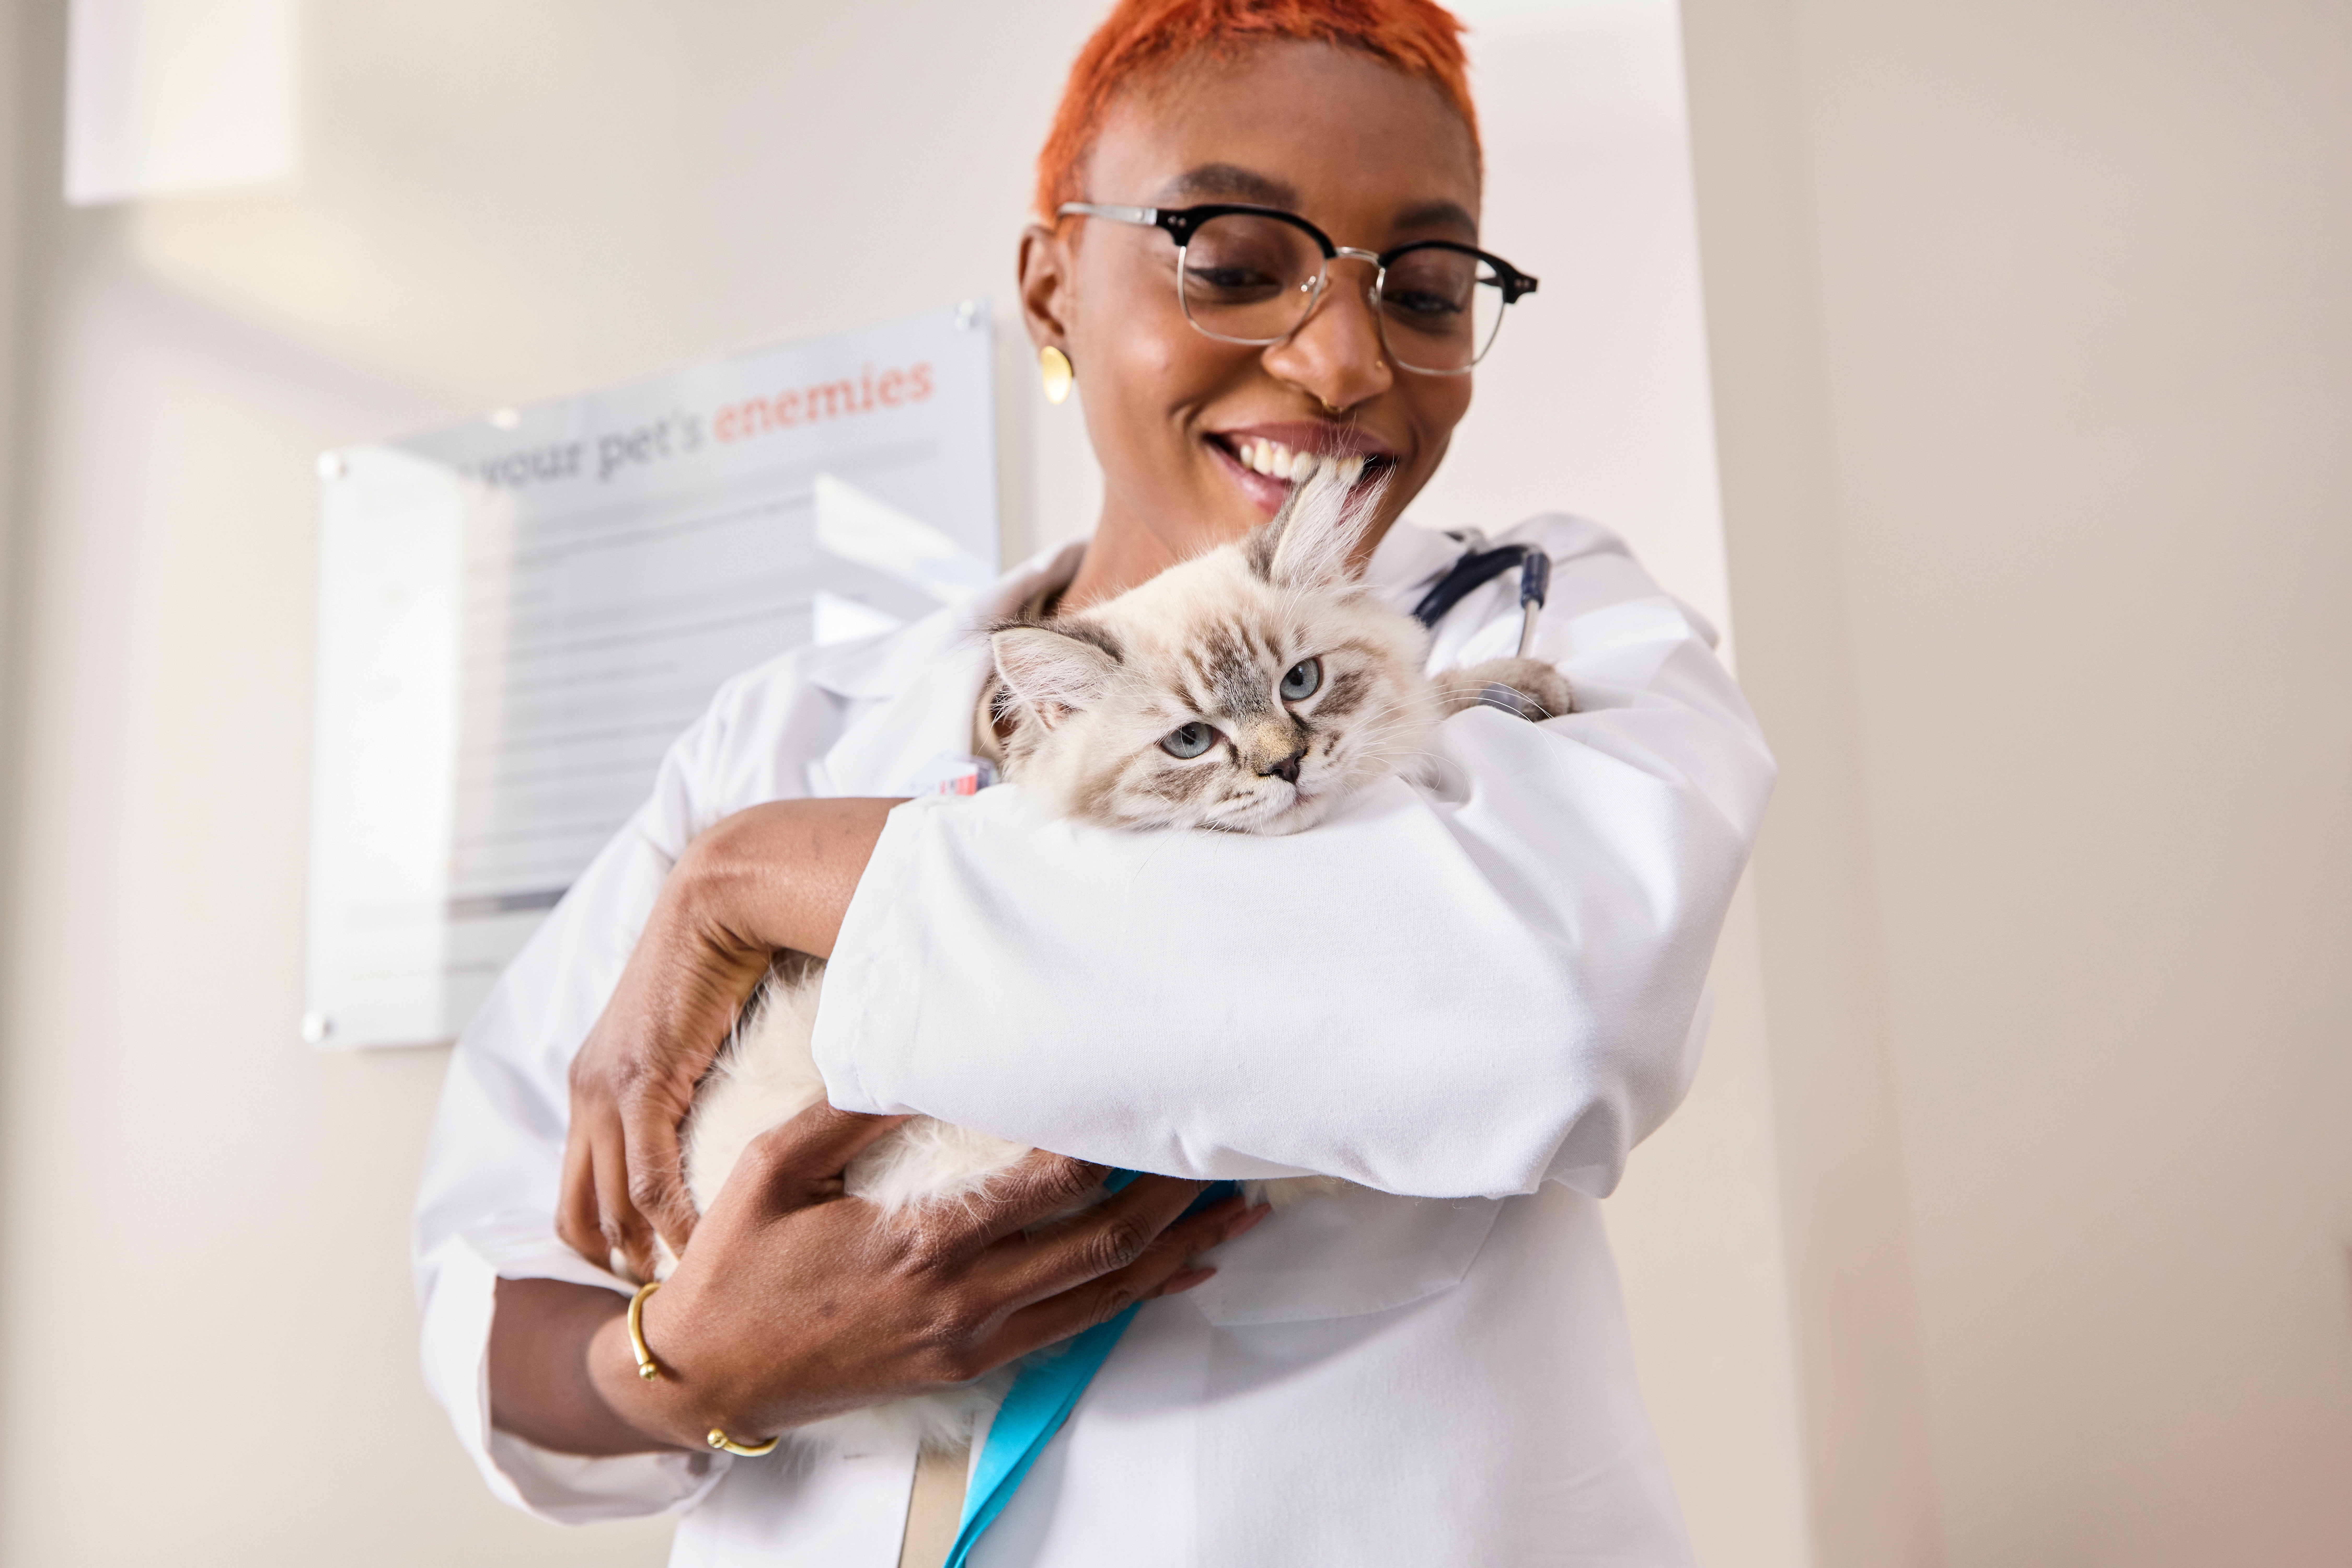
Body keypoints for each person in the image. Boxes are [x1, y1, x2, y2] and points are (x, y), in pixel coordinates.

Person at [412, 1, 1775, 1563]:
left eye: (1423, 286)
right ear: (1050, 285)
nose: (1339, 359)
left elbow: (1550, 1013)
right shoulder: (788, 728)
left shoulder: (1552, 622)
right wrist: (692, 1366)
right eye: (1235, 261)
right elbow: (508, 1272)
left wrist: (769, 874)